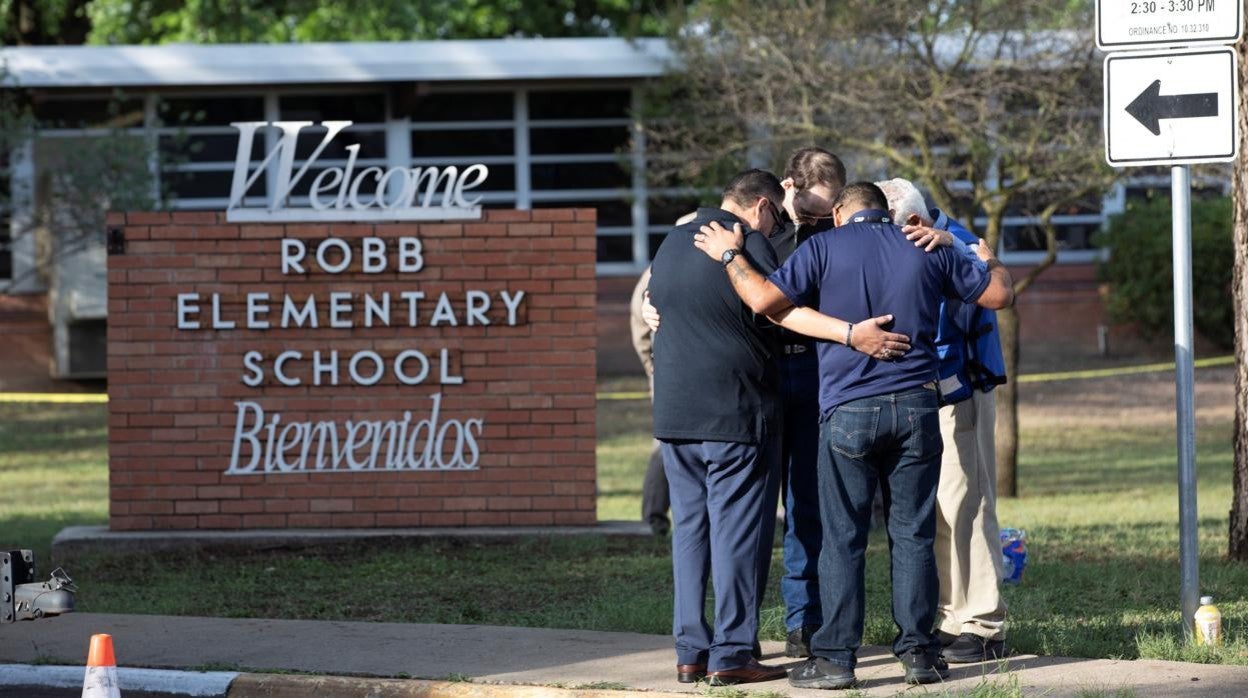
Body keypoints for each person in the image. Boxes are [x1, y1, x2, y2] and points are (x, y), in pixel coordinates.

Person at [691, 182, 1013, 689]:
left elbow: (762, 300)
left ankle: (837, 659)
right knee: (913, 535)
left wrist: (729, 253)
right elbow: (999, 295)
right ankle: (920, 654)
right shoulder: (925, 245)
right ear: (888, 214)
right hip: (917, 408)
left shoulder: (821, 246)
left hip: (847, 411)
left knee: (842, 538)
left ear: (840, 213)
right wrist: (987, 259)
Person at [647, 169, 790, 687]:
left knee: (689, 532)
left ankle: (690, 651)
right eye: (777, 217)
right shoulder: (750, 244)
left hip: (675, 413)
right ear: (761, 206)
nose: (776, 228)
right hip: (735, 412)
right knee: (736, 533)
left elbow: (655, 306)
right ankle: (732, 654)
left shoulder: (670, 242)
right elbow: (776, 311)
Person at [876, 178, 1009, 663]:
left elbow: (992, 290)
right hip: (922, 394)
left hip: (959, 393)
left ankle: (983, 625)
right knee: (937, 511)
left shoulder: (957, 244)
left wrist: (958, 249)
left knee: (966, 505)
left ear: (913, 222)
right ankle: (953, 616)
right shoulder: (924, 237)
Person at [770, 147, 845, 658]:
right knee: (751, 505)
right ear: (787, 187)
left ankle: (804, 621)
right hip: (763, 372)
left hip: (819, 369)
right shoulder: (754, 229)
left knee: (807, 502)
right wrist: (651, 298)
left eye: (828, 212)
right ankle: (736, 630)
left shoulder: (839, 232)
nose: (819, 222)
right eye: (812, 212)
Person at [629, 266, 671, 536]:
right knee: (664, 445)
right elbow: (639, 317)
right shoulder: (659, 268)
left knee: (664, 443)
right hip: (667, 369)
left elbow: (638, 325)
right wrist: (652, 367)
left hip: (665, 367)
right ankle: (653, 517)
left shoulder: (661, 264)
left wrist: (651, 366)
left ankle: (652, 518)